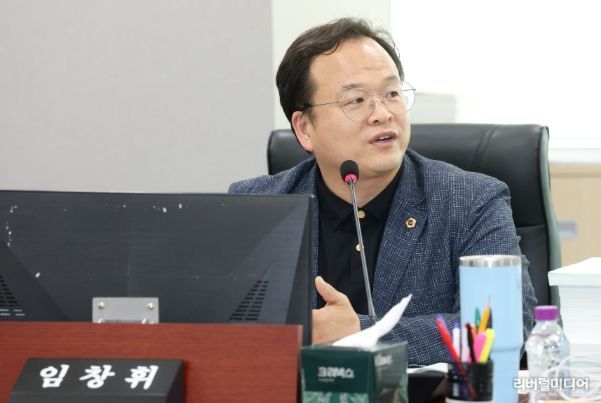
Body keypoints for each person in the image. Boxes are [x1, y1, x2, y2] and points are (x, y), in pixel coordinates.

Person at [229, 18, 536, 364]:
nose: (383, 114)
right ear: (304, 129)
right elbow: (221, 332)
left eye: (392, 94)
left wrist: (361, 332)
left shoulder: (471, 201)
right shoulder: (255, 208)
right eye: (356, 100)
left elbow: (502, 327)